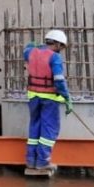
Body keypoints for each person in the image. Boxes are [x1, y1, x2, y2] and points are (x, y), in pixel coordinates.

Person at [23, 29, 71, 173]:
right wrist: (66, 96)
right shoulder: (55, 57)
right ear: (56, 44)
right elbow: (59, 79)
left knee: (34, 126)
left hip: (33, 97)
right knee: (49, 129)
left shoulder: (30, 52)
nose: (61, 50)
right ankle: (43, 162)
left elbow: (26, 50)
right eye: (61, 46)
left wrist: (31, 45)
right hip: (49, 98)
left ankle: (31, 161)